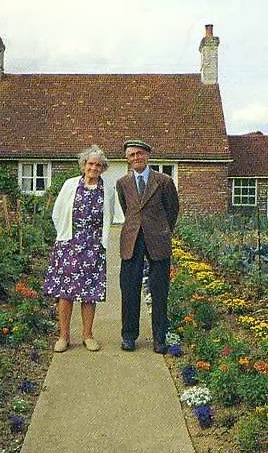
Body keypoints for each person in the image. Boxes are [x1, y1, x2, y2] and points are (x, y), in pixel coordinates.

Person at [42, 144, 116, 352]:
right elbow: (57, 213)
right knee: (65, 293)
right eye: (90, 163)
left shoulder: (107, 189)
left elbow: (108, 217)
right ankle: (63, 337)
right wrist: (64, 237)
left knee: (89, 293)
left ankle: (88, 335)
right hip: (68, 246)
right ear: (84, 165)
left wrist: (100, 242)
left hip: (93, 247)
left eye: (98, 165)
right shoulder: (69, 185)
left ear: (103, 168)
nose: (94, 168)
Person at [116, 139, 180, 353]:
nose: (136, 158)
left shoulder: (163, 181)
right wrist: (137, 227)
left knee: (160, 291)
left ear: (147, 155)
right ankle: (129, 336)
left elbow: (172, 210)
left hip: (158, 240)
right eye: (132, 155)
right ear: (127, 159)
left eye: (139, 154)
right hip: (132, 240)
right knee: (129, 289)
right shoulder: (122, 183)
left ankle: (159, 338)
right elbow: (128, 210)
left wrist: (161, 229)